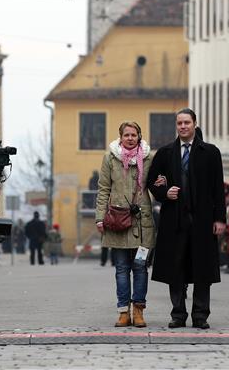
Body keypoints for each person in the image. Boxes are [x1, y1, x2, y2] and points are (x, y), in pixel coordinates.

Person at [147, 108, 226, 329]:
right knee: (176, 268)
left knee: (202, 268)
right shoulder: (165, 152)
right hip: (174, 220)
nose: (183, 126)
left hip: (202, 220)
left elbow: (218, 189)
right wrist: (164, 194)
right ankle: (178, 314)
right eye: (179, 123)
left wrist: (220, 219)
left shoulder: (210, 152)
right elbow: (152, 181)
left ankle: (200, 315)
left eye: (187, 123)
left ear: (194, 124)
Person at [95, 121, 155, 328]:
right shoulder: (110, 158)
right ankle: (123, 312)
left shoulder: (149, 158)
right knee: (121, 269)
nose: (130, 138)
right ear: (120, 137)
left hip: (142, 222)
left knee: (140, 267)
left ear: (139, 136)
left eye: (134, 135)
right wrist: (99, 217)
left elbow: (156, 184)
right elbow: (103, 188)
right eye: (126, 135)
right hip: (117, 221)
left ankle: (138, 310)